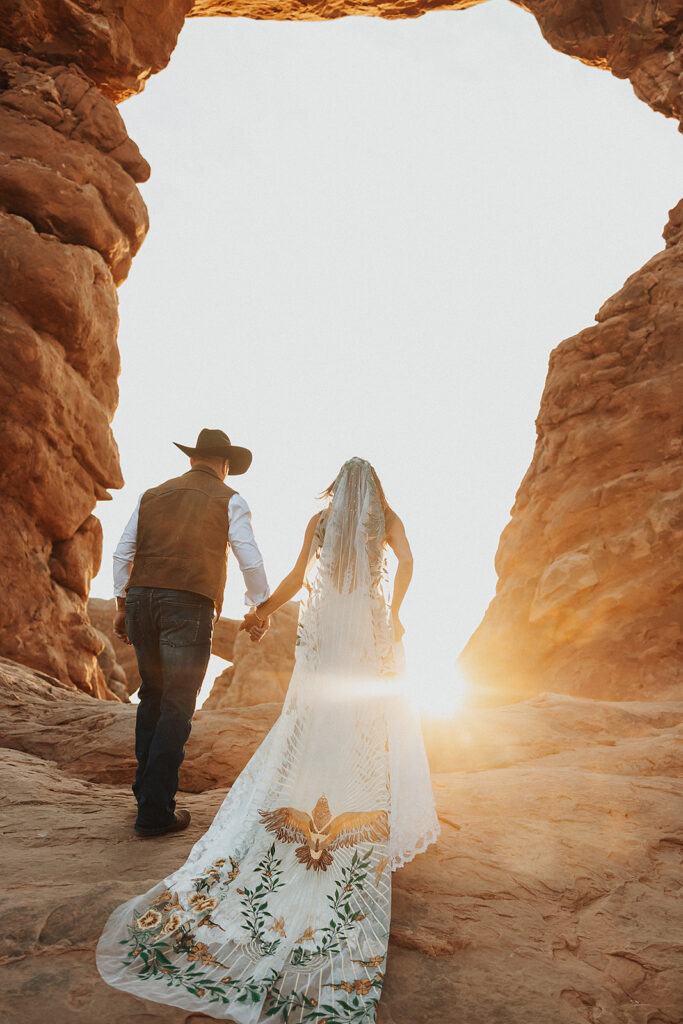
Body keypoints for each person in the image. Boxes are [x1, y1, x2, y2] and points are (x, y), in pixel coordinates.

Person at [97, 457, 439, 1022]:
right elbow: (409, 563)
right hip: (368, 626)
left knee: (310, 715)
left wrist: (263, 610)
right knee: (369, 719)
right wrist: (395, 612)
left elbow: (294, 576)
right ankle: (363, 804)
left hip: (325, 631)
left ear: (337, 487)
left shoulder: (322, 522)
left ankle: (292, 792)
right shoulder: (388, 519)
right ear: (374, 489)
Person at [111, 427, 271, 838]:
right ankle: (155, 810)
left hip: (142, 600)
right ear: (226, 466)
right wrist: (259, 608)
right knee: (177, 706)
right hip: (188, 605)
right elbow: (249, 559)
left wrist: (120, 604)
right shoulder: (228, 499)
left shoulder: (153, 494)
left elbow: (122, 551)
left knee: (152, 695)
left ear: (191, 460)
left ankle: (145, 792)